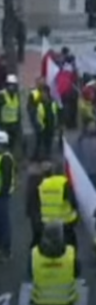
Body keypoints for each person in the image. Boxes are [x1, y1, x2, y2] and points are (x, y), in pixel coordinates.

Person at [27, 222, 80, 305]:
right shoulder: (70, 253)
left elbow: (30, 274)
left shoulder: (35, 254)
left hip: (40, 301)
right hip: (66, 301)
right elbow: (77, 273)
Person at [37, 162, 78, 247]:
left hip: (47, 221)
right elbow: (73, 201)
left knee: (51, 244)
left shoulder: (42, 185)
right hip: (65, 221)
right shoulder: (63, 183)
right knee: (70, 244)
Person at [75, 120, 96, 188]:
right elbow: (79, 153)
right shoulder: (81, 139)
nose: (92, 127)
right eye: (90, 126)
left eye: (94, 126)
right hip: (86, 169)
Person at [34, 86, 61, 160]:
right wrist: (39, 125)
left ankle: (48, 156)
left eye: (45, 93)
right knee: (42, 143)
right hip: (42, 127)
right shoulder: (39, 103)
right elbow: (38, 115)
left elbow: (55, 113)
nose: (43, 94)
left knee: (49, 143)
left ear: (48, 93)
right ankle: (41, 157)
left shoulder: (52, 102)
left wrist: (55, 124)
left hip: (50, 126)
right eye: (42, 93)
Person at [0, 130, 15, 260]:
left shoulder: (5, 158)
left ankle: (6, 250)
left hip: (2, 196)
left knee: (3, 223)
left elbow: (6, 179)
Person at [0, 75, 21, 153]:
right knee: (3, 145)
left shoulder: (16, 95)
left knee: (12, 145)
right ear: (7, 85)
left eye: (13, 85)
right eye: (10, 85)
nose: (11, 87)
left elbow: (17, 110)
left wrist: (18, 123)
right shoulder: (2, 95)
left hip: (14, 124)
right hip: (4, 124)